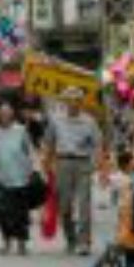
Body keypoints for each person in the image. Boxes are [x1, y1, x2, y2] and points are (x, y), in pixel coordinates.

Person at [46, 87, 102, 255]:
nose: (73, 103)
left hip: (83, 163)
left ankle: (84, 242)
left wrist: (95, 163)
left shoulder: (89, 121)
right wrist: (48, 164)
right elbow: (49, 142)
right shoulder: (56, 120)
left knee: (84, 204)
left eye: (77, 100)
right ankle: (70, 238)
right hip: (63, 163)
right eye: (70, 100)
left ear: (81, 102)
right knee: (65, 205)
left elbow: (97, 144)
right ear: (65, 102)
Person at [0, 101, 34, 256]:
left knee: (21, 213)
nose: (4, 117)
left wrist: (31, 171)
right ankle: (6, 242)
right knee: (4, 213)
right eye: (1, 114)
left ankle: (22, 243)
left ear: (12, 115)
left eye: (7, 114)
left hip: (21, 177)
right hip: (2, 177)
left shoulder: (21, 131)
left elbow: (29, 151)